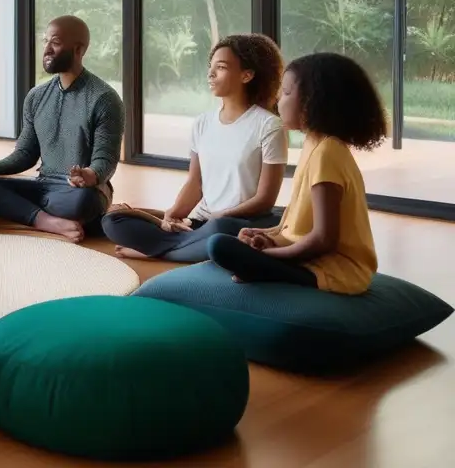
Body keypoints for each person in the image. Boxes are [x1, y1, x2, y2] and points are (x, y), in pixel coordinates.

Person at [207, 52, 387, 294]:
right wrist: (268, 235)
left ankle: (265, 269)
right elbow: (298, 223)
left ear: (312, 102)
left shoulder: (328, 153)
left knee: (219, 245)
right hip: (313, 258)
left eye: (287, 93)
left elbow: (324, 239)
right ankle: (262, 266)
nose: (278, 100)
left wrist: (271, 255)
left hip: (338, 271)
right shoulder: (314, 143)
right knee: (229, 233)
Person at [102, 34, 287, 262]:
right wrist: (174, 214)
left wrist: (219, 215)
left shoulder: (269, 125)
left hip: (237, 223)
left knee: (220, 230)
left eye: (220, 67)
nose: (210, 74)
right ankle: (187, 249)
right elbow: (195, 182)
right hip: (200, 222)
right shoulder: (202, 123)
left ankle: (159, 252)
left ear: (247, 75)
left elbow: (265, 200)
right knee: (113, 221)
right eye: (211, 67)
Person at [0, 15, 124, 243]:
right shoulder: (36, 96)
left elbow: (106, 160)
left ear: (78, 49)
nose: (47, 49)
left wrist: (90, 175)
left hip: (77, 192)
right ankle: (45, 221)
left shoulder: (103, 98)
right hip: (42, 186)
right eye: (45, 41)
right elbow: (25, 155)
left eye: (55, 42)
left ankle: (13, 213)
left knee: (82, 202)